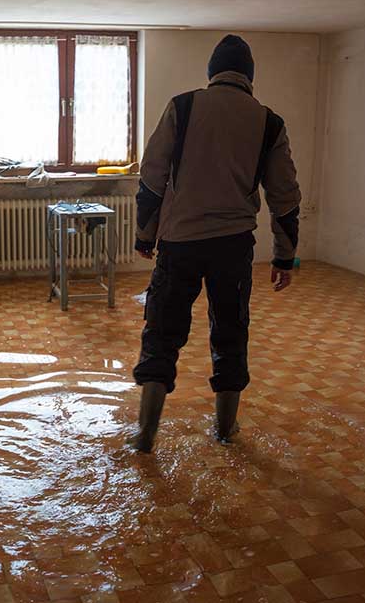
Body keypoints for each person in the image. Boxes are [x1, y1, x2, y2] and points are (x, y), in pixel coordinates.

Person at [127, 34, 301, 453]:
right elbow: (285, 196)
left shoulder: (183, 106)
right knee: (230, 333)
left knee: (162, 334)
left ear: (210, 73)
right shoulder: (268, 122)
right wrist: (285, 256)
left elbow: (152, 176)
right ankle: (225, 430)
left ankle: (146, 435)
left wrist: (145, 235)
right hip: (233, 246)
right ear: (250, 78)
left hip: (180, 242)